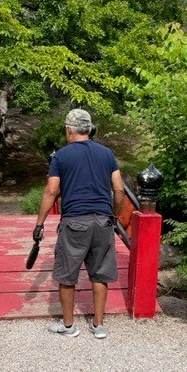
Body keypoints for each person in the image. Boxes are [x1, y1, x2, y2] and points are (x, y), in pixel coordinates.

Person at [33, 109, 124, 339]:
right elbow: (119, 189)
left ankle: (69, 325)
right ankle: (99, 325)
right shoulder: (107, 153)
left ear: (69, 129)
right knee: (100, 274)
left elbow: (52, 190)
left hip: (75, 221)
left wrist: (39, 224)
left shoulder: (61, 156)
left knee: (67, 275)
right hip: (103, 221)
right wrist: (114, 215)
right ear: (89, 128)